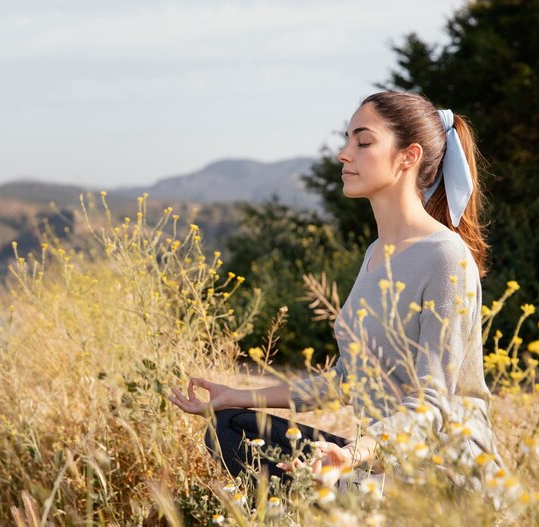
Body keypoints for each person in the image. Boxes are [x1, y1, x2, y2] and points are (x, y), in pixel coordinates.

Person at [168, 91, 501, 486]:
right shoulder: (376, 253)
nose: (344, 154)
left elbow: (433, 403)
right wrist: (236, 394)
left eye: (363, 142)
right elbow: (346, 380)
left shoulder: (445, 255)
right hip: (382, 458)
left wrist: (352, 454)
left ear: (408, 157)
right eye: (347, 141)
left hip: (443, 474)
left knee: (323, 485)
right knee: (229, 426)